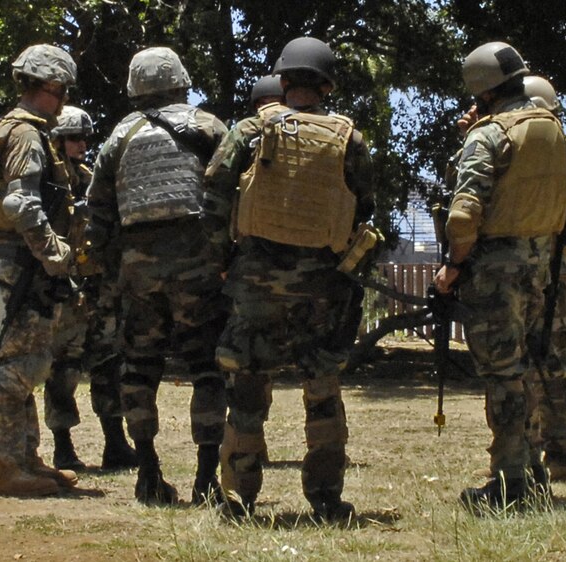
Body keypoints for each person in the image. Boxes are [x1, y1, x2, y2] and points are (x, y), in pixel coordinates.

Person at [207, 37, 376, 521]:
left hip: (255, 282)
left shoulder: (250, 130)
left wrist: (222, 258)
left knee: (246, 388)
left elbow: (215, 194)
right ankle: (325, 497)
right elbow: (365, 209)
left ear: (282, 81)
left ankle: (239, 496)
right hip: (323, 287)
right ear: (326, 84)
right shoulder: (349, 137)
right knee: (322, 387)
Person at [83, 47, 231, 505]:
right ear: (181, 80)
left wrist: (107, 273)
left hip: (138, 267)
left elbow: (98, 213)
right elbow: (233, 190)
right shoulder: (207, 126)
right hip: (198, 261)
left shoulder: (119, 137)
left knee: (140, 367)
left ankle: (147, 473)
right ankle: (207, 479)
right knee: (207, 366)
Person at [434, 42, 566, 510]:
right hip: (541, 264)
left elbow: (464, 213)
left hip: (495, 270)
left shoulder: (488, 136)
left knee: (502, 374)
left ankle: (510, 482)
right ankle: (533, 472)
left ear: (481, 89)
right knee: (527, 368)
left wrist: (453, 266)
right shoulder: (551, 130)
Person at [0, 43, 84, 497]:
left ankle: (26, 457)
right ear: (51, 85)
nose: (63, 100)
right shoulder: (25, 134)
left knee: (31, 361)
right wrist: (54, 253)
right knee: (18, 367)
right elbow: (23, 202)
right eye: (61, 90)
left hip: (23, 258)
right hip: (28, 261)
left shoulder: (8, 128)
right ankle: (4, 465)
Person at [44, 105, 141, 472]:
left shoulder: (91, 178)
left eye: (85, 137)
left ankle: (115, 443)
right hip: (64, 288)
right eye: (73, 137)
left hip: (99, 286)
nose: (82, 143)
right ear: (56, 141)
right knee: (63, 369)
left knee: (108, 363)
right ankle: (63, 446)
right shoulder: (48, 183)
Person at [520, 75, 566, 483]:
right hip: (524, 267)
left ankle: (561, 453)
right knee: (520, 362)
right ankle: (526, 450)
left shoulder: (565, 152)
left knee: (558, 366)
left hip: (555, 269)